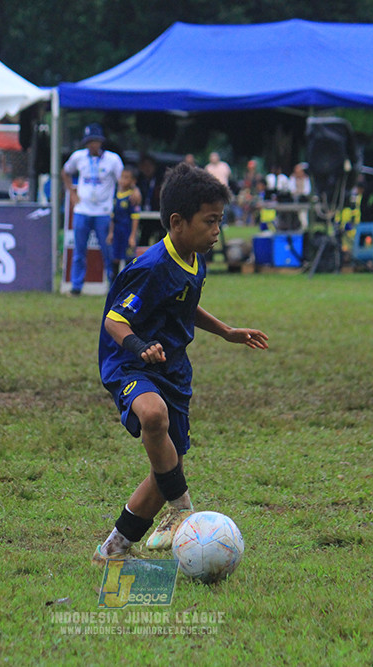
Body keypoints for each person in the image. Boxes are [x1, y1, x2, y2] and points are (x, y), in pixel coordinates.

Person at [92, 162, 269, 563]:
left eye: (220, 222)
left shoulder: (194, 258)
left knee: (164, 469)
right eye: (210, 221)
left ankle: (113, 549)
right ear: (177, 222)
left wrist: (226, 331)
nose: (217, 231)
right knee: (153, 417)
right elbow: (115, 320)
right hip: (130, 362)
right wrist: (139, 347)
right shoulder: (151, 267)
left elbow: (185, 306)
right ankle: (182, 508)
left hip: (173, 371)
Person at [61, 123, 124, 294]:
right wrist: (71, 193)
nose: (93, 145)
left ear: (101, 142)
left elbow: (123, 181)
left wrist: (124, 198)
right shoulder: (78, 157)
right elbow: (65, 171)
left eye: (95, 141)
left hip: (104, 211)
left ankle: (114, 286)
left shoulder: (113, 159)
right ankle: (76, 286)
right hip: (83, 210)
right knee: (79, 251)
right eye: (89, 142)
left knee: (108, 252)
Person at [106, 165, 141, 283]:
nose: (122, 180)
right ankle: (113, 286)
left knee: (129, 260)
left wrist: (132, 236)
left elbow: (135, 218)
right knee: (114, 258)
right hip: (117, 232)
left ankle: (128, 285)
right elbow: (113, 216)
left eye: (126, 178)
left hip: (127, 232)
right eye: (121, 177)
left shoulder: (133, 197)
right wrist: (110, 233)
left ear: (133, 181)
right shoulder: (116, 195)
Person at [135, 154, 164, 246]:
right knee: (144, 236)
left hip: (157, 214)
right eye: (144, 166)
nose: (147, 168)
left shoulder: (161, 181)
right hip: (141, 214)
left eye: (149, 165)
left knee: (162, 235)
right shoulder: (137, 181)